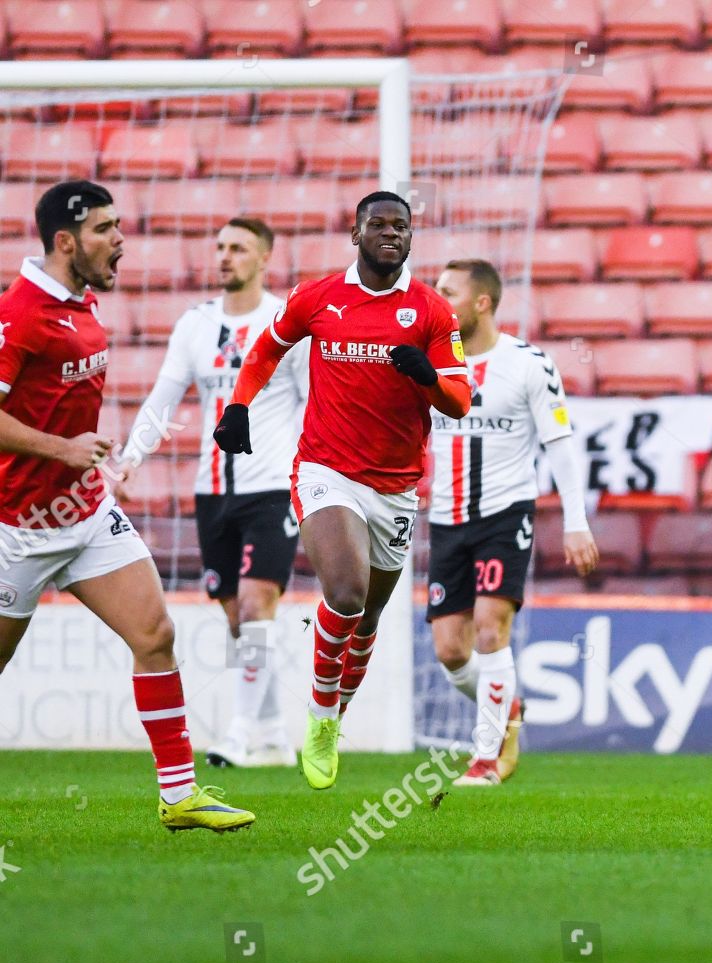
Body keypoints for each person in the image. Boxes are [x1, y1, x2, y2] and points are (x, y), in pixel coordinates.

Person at [0, 181, 253, 830]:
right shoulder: (21, 314)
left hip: (84, 515)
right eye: (107, 230)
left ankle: (179, 795)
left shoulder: (82, 304)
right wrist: (62, 449)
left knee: (156, 634)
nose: (121, 241)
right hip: (16, 529)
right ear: (66, 241)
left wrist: (87, 464)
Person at [214, 191, 470, 791]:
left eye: (400, 227)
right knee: (348, 593)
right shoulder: (317, 297)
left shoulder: (431, 311)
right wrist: (238, 407)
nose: (390, 234)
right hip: (325, 469)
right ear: (355, 235)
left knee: (371, 615)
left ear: (411, 237)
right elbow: (267, 348)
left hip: (397, 486)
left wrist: (427, 377)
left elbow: (458, 402)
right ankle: (320, 717)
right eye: (377, 225)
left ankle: (337, 709)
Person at [117, 217, 307, 769]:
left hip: (272, 487)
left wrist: (311, 477)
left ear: (265, 258)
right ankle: (272, 729)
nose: (225, 256)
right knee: (236, 618)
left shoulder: (286, 325)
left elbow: (313, 404)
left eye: (239, 248)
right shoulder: (194, 325)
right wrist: (130, 459)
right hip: (212, 490)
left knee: (254, 605)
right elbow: (164, 398)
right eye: (220, 246)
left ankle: (239, 732)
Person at [427, 259, 599, 786]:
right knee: (450, 650)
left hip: (505, 513)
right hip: (445, 517)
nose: (438, 301)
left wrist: (576, 520)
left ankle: (486, 758)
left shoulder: (529, 364)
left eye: (448, 292)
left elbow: (561, 445)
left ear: (481, 303)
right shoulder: (426, 364)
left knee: (489, 628)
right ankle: (508, 706)